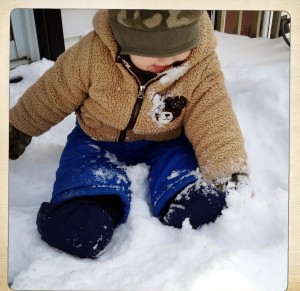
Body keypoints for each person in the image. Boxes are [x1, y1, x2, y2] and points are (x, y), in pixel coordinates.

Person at [9, 9, 252, 259]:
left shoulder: (199, 64)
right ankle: (88, 207)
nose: (168, 58)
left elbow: (214, 116)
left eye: (179, 48)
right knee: (84, 203)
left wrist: (228, 171)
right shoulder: (92, 53)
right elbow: (54, 92)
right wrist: (18, 126)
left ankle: (183, 198)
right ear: (125, 39)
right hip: (97, 140)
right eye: (153, 49)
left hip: (165, 141)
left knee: (190, 182)